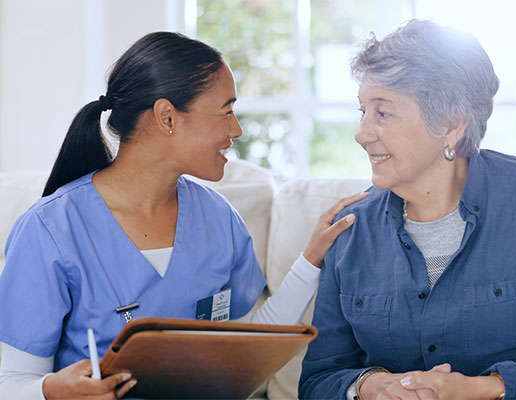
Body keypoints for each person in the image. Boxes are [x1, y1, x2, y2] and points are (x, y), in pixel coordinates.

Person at [0, 32, 366, 399]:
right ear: (167, 118)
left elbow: (244, 346)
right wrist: (51, 392)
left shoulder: (219, 220)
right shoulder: (50, 230)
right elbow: (11, 382)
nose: (236, 130)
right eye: (226, 111)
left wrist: (310, 260)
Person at [299, 19, 516, 400]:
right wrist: (371, 386)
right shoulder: (352, 230)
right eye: (363, 112)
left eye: (383, 113)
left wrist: (484, 389)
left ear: (451, 125)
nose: (362, 133)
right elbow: (319, 379)